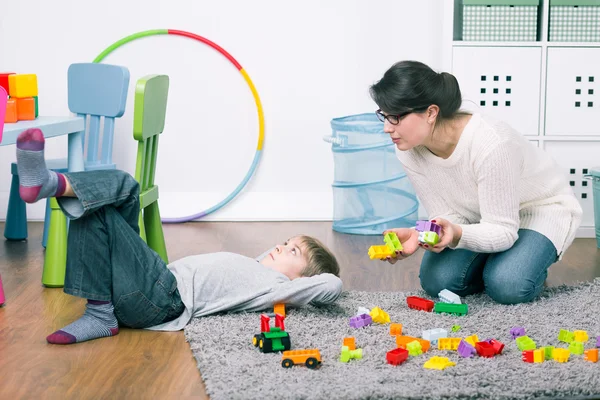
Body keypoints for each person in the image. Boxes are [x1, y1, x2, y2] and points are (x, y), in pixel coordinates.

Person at [15, 128, 342, 345]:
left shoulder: (278, 289)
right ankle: (52, 184)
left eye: (293, 252)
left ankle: (101, 315)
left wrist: (313, 279)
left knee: (98, 211)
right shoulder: (256, 269)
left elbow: (332, 285)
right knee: (126, 187)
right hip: (152, 281)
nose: (281, 247)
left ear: (303, 278)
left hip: (162, 300)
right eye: (287, 242)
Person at [369, 60, 582, 305]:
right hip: (480, 217)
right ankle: (499, 262)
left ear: (430, 112)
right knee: (437, 281)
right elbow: (446, 214)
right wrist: (420, 236)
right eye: (384, 116)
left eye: (395, 117)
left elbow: (502, 228)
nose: (387, 128)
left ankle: (517, 265)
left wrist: (458, 234)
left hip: (539, 210)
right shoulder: (408, 148)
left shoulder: (491, 144)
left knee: (508, 284)